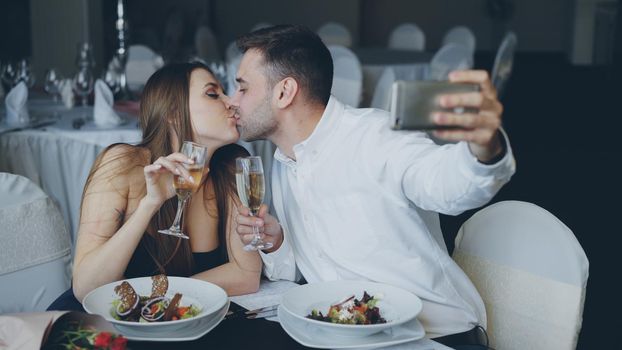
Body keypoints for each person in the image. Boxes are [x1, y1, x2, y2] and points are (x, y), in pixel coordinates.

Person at [232, 25, 515, 348]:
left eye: (242, 88)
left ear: (284, 92)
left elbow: (445, 185)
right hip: (347, 333)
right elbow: (298, 271)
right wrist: (277, 241)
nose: (232, 100)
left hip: (435, 335)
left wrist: (483, 146)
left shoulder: (377, 137)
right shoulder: (285, 160)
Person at [48, 62, 261, 311]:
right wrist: (150, 204)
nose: (231, 102)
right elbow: (85, 287)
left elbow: (247, 275)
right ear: (172, 111)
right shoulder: (122, 165)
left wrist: (163, 297)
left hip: (176, 317)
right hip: (103, 320)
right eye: (213, 94)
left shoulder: (231, 168)